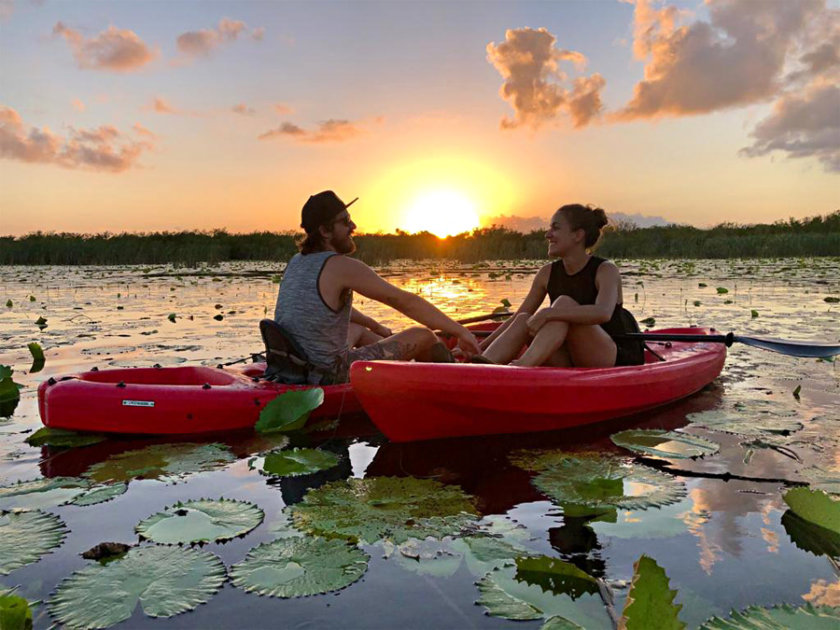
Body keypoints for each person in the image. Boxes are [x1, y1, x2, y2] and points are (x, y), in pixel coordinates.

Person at [272, 190, 481, 384]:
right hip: (329, 374)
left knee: (356, 329)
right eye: (345, 222)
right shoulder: (340, 266)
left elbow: (318, 308)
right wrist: (460, 331)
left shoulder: (296, 261)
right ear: (325, 231)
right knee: (423, 335)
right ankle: (452, 378)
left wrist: (375, 325)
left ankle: (409, 370)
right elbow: (404, 301)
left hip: (298, 367)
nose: (353, 226)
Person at [473, 203, 644, 367]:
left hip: (606, 354)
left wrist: (550, 313)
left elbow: (603, 312)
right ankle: (481, 365)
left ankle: (522, 367)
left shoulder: (605, 270)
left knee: (562, 304)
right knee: (523, 318)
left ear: (578, 235)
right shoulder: (547, 273)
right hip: (567, 355)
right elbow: (517, 318)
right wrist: (479, 347)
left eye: (555, 228)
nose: (547, 234)